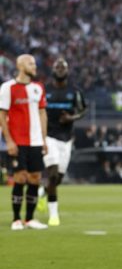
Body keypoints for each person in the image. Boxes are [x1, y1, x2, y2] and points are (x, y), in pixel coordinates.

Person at [0, 54, 49, 230]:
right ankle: (16, 219)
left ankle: (30, 219)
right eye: (31, 63)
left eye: (35, 63)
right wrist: (9, 141)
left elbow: (42, 113)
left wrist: (44, 139)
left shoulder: (38, 88)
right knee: (20, 177)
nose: (34, 66)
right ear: (20, 66)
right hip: (18, 141)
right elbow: (2, 115)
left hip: (36, 141)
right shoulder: (8, 88)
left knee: (35, 178)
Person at [37, 57, 87, 226]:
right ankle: (54, 215)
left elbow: (84, 110)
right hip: (49, 136)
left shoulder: (75, 91)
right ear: (53, 70)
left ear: (67, 71)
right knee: (51, 174)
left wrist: (71, 117)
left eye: (63, 67)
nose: (60, 69)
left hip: (66, 139)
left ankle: (42, 193)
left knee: (57, 179)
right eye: (57, 67)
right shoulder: (44, 90)